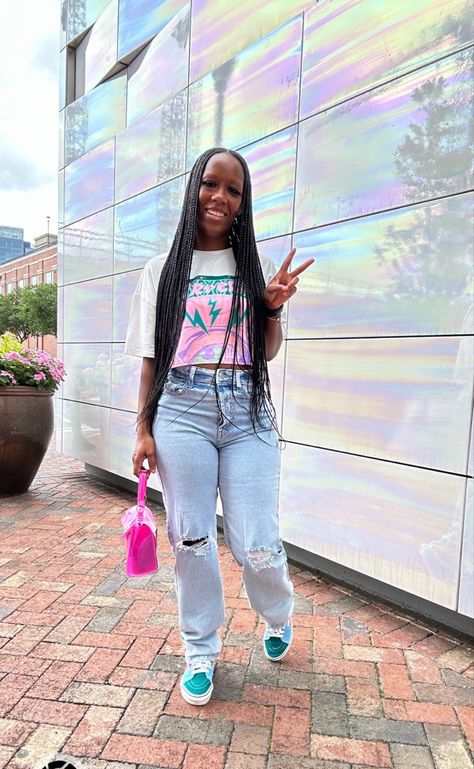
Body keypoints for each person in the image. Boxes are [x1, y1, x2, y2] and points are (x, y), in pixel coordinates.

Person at [125, 147, 314, 705]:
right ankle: (200, 649)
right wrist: (143, 429)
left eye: (234, 190)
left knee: (256, 541)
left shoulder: (251, 268)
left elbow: (267, 352)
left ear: (242, 202)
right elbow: (150, 357)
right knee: (191, 539)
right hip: (181, 410)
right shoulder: (162, 269)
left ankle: (277, 613)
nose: (221, 198)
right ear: (195, 188)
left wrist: (272, 309)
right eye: (212, 184)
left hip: (246, 410)